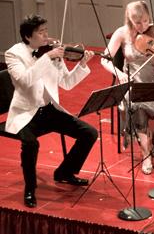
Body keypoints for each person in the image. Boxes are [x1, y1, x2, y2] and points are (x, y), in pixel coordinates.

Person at [5, 14, 98, 208]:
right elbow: (25, 81)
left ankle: (64, 172)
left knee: (89, 133)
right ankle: (30, 189)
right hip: (26, 113)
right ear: (28, 37)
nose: (46, 36)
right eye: (41, 32)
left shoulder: (51, 51)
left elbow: (67, 83)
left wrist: (81, 64)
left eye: (46, 30)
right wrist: (47, 57)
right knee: (30, 144)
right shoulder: (13, 54)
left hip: (48, 110)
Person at [101, 1, 154, 175]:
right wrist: (118, 73)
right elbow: (104, 59)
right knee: (137, 110)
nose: (143, 26)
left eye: (146, 20)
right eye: (138, 22)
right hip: (133, 83)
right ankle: (146, 155)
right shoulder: (121, 33)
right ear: (129, 20)